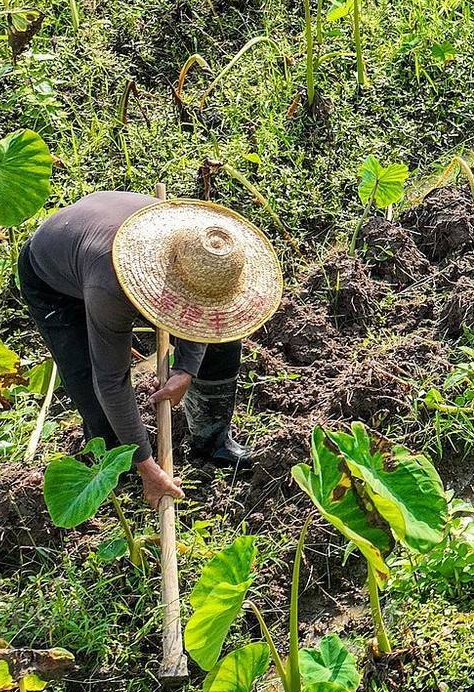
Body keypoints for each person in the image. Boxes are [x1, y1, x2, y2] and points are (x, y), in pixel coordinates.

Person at [19, 193, 283, 509]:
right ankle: (122, 465)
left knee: (221, 338)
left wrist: (186, 367)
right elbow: (111, 382)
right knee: (88, 380)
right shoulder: (111, 287)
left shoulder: (198, 241)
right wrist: (148, 465)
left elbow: (203, 307)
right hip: (54, 276)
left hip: (104, 243)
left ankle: (212, 442)